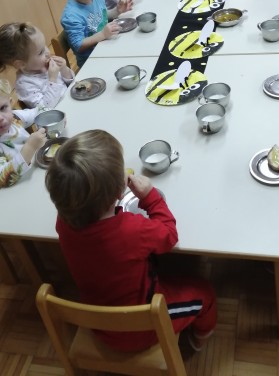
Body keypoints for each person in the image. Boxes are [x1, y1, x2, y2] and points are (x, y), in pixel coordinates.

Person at [45, 129, 217, 352]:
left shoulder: (62, 223)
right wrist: (150, 197)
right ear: (120, 191)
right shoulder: (131, 230)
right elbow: (169, 236)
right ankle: (199, 340)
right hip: (141, 328)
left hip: (98, 320)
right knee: (206, 294)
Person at [0, 22, 75, 109]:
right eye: (41, 52)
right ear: (21, 64)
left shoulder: (45, 66)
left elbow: (70, 84)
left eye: (44, 46)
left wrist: (64, 70)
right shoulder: (24, 84)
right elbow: (45, 109)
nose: (47, 52)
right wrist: (52, 79)